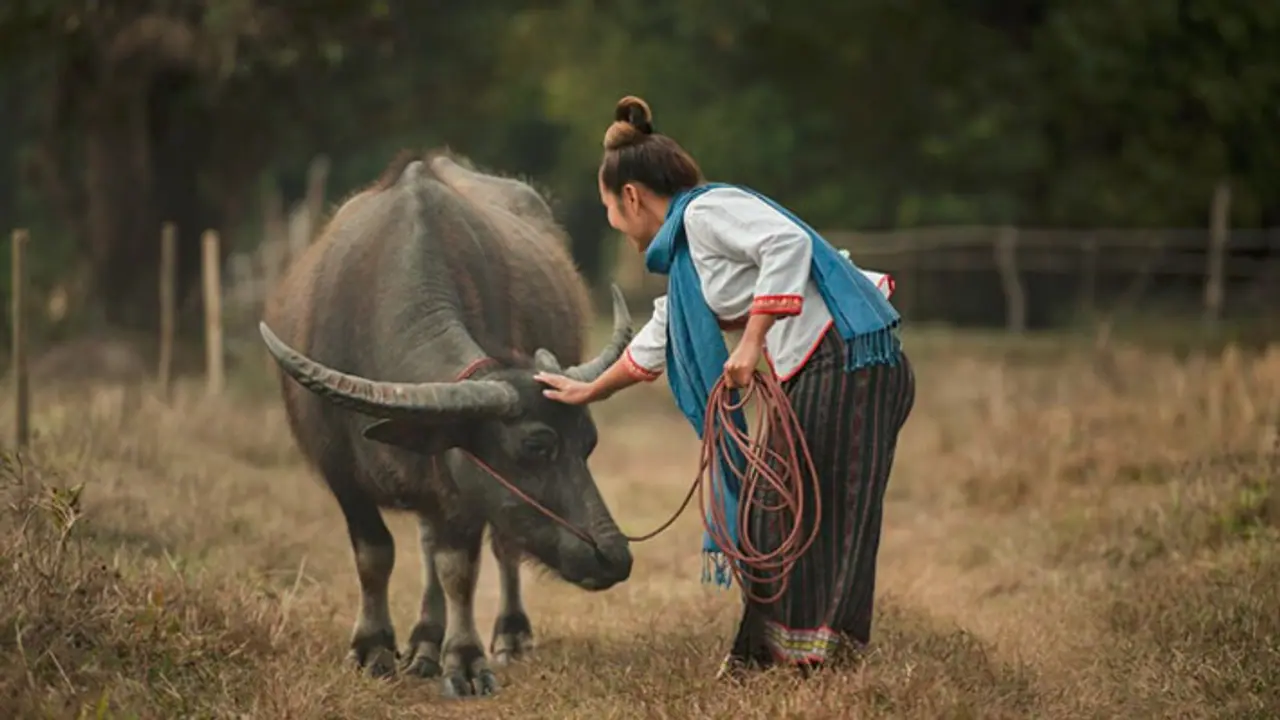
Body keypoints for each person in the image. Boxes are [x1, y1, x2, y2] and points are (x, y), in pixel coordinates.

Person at [534, 95, 916, 677]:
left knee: (810, 515)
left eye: (609, 207)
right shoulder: (690, 259)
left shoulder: (705, 214)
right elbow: (660, 335)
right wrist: (587, 390)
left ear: (631, 197)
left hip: (847, 362)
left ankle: (805, 663)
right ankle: (770, 658)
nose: (613, 219)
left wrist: (752, 340)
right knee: (777, 516)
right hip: (831, 367)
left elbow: (785, 244)